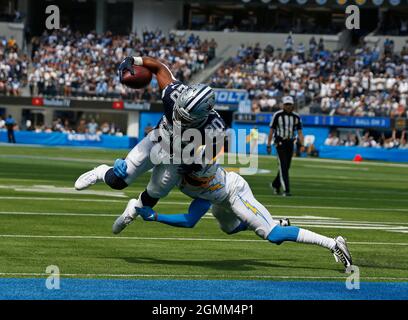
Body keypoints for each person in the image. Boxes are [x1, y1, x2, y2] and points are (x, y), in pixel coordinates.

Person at [116, 159, 352, 270]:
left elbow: (189, 221)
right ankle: (274, 222)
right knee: (228, 228)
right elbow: (190, 216)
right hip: (219, 198)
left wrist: (156, 217)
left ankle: (334, 243)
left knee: (273, 235)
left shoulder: (200, 178)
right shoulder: (184, 175)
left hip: (233, 192)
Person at [74, 55, 225, 219]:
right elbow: (159, 67)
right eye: (179, 111)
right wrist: (132, 60)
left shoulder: (214, 127)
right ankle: (100, 172)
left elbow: (213, 150)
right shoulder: (172, 93)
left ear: (203, 115)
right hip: (157, 139)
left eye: (186, 117)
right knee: (118, 181)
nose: (179, 118)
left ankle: (131, 212)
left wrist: (195, 164)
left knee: (154, 193)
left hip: (177, 157)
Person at [266, 96, 304, 196]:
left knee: (286, 167)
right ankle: (286, 190)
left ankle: (275, 184)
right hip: (280, 143)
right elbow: (271, 130)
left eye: (289, 104)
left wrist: (302, 144)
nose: (288, 106)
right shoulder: (277, 115)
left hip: (290, 143)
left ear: (292, 105)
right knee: (283, 166)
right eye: (286, 104)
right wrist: (269, 144)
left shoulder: (296, 117)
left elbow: (299, 132)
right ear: (283, 105)